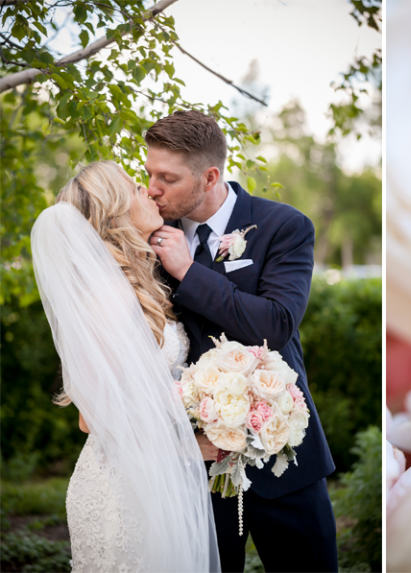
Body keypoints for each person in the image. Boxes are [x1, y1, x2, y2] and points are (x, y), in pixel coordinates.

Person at [145, 110, 338, 573]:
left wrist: (188, 272)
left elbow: (274, 323)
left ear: (210, 176)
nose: (153, 188)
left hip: (283, 455)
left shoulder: (283, 227)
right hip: (196, 463)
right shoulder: (147, 237)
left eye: (167, 178)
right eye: (149, 173)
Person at [31, 161, 221, 572]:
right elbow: (92, 418)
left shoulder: (138, 281)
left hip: (154, 476)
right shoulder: (107, 299)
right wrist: (189, 445)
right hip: (122, 491)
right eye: (136, 187)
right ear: (116, 210)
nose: (149, 191)